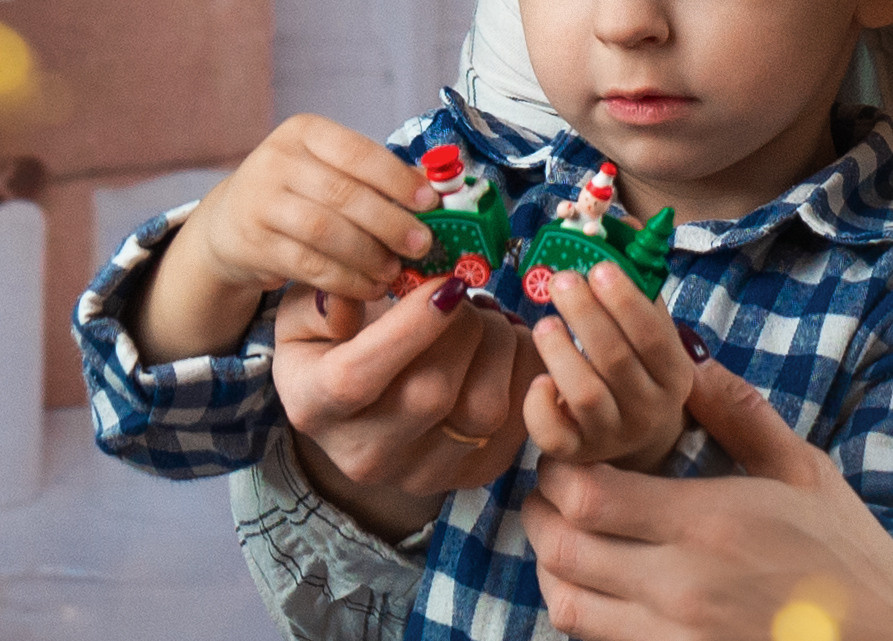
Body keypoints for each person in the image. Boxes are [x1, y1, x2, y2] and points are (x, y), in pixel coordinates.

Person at [71, 1, 893, 640]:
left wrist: (656, 458)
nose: (624, 22)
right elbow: (159, 427)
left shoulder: (875, 299)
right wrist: (213, 256)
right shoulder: (456, 178)